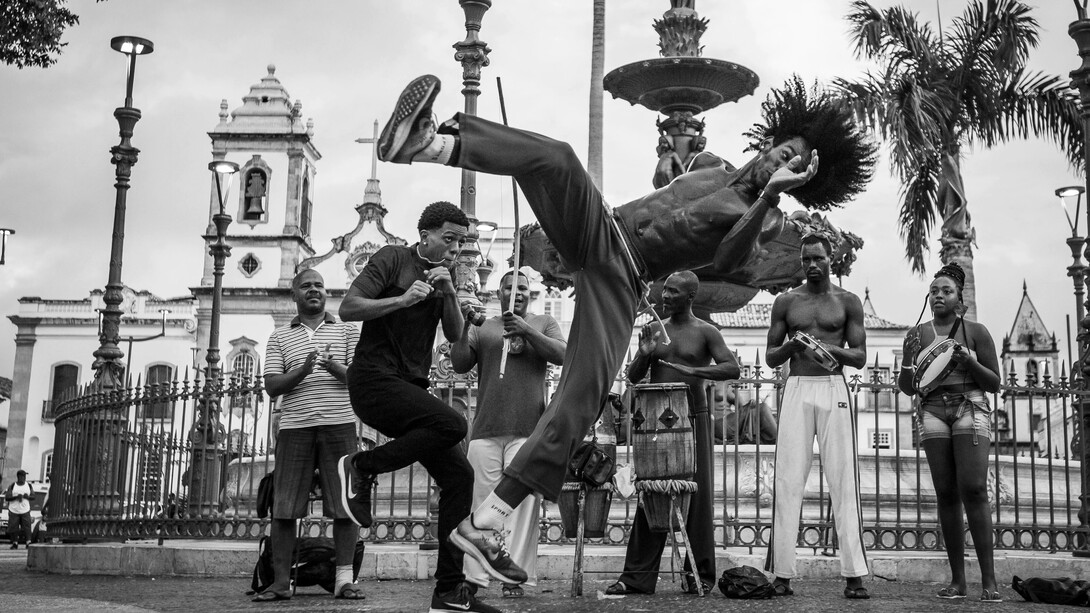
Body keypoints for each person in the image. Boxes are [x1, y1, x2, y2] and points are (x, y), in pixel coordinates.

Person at [374, 73, 876, 584]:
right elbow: (671, 179)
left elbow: (726, 259)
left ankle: (487, 522)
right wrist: (669, 163)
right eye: (783, 151)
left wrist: (769, 196)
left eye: (793, 166)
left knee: (581, 397)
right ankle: (428, 144)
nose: (779, 163)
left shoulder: (765, 224)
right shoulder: (711, 165)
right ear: (770, 142)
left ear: (799, 179)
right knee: (559, 158)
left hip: (624, 278)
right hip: (602, 230)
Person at [335, 201, 503, 613]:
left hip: (409, 386)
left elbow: (454, 335)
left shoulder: (443, 276)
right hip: (373, 380)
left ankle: (448, 592)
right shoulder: (393, 258)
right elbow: (348, 307)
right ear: (425, 234)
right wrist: (404, 299)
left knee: (459, 477)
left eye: (460, 243)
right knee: (454, 423)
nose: (453, 249)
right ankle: (360, 466)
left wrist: (447, 293)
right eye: (448, 239)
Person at [606, 271, 740, 596]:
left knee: (697, 495)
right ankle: (636, 577)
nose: (665, 296)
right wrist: (644, 353)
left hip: (694, 418)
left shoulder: (706, 332)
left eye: (673, 292)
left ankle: (699, 576)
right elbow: (634, 377)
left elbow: (731, 367)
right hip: (655, 422)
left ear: (690, 296)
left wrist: (695, 371)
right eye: (664, 290)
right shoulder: (654, 329)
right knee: (651, 492)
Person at [763, 234, 870, 599]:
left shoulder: (848, 302)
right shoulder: (787, 301)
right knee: (788, 480)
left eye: (818, 258)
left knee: (843, 480)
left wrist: (830, 348)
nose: (812, 264)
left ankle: (855, 575)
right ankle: (782, 574)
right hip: (796, 386)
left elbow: (860, 357)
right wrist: (792, 345)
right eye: (806, 258)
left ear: (831, 259)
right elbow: (770, 357)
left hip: (832, 386)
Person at [449, 269, 566, 598]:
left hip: (528, 431)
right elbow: (459, 364)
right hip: (485, 429)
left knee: (521, 508)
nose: (516, 292)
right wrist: (462, 329)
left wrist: (526, 330)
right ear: (497, 293)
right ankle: (475, 578)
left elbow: (561, 354)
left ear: (531, 294)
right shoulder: (483, 326)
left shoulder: (543, 323)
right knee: (482, 507)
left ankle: (516, 577)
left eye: (523, 287)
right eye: (508, 286)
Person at [255, 269, 364, 602]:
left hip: (340, 424)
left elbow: (359, 378)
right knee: (285, 507)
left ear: (326, 293)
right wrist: (302, 370)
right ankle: (279, 583)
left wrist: (332, 367)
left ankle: (344, 581)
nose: (313, 290)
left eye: (318, 285)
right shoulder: (279, 337)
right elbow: (272, 385)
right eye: (306, 286)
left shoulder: (347, 330)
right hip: (294, 428)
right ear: (294, 295)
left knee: (345, 506)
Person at [897, 262, 1001, 603]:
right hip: (933, 411)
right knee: (945, 492)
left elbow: (994, 383)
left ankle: (989, 580)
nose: (938, 295)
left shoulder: (976, 331)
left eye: (946, 291)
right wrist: (909, 361)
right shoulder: (917, 334)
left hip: (970, 406)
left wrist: (969, 361)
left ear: (959, 298)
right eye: (934, 291)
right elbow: (908, 388)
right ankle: (958, 581)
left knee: (973, 488)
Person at [6, 470, 33, 549]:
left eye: (25, 476)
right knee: (14, 527)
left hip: (25, 510)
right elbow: (7, 497)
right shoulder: (13, 486)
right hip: (14, 510)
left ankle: (28, 542)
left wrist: (27, 497)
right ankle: (15, 542)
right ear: (19, 477)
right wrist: (16, 497)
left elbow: (33, 496)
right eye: (23, 476)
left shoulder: (29, 485)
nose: (24, 478)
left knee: (27, 526)